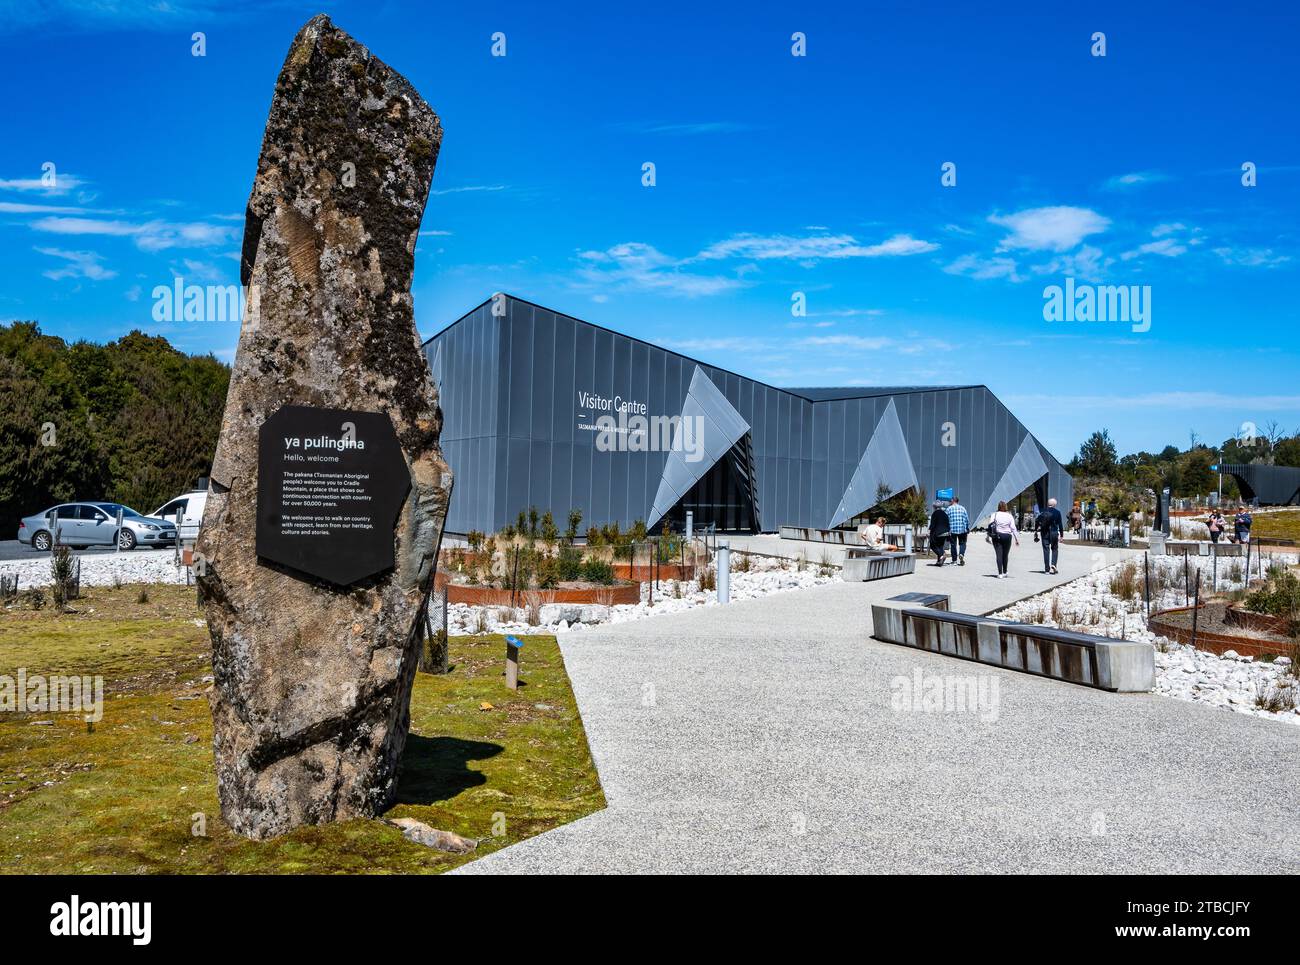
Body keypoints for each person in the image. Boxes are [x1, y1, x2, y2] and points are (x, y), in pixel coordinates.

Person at [1034, 497, 1065, 574]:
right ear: (1054, 505)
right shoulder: (1057, 512)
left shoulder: (1043, 511)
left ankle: (1046, 569)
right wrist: (1061, 535)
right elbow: (1060, 524)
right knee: (1054, 549)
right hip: (1054, 532)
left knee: (1046, 550)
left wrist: (1036, 531)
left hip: (1044, 533)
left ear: (1048, 504)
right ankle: (1053, 564)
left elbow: (1037, 521)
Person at [988, 500, 1019, 578]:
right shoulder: (1009, 515)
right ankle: (1005, 571)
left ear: (998, 507)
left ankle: (1000, 573)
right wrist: (1016, 539)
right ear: (1005, 507)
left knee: (999, 555)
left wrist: (988, 536)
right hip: (1007, 536)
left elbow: (990, 526)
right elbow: (1013, 528)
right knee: (1005, 554)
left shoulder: (994, 514)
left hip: (997, 536)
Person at [945, 496, 970, 565]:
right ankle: (961, 554)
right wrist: (967, 527)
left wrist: (946, 529)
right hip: (962, 530)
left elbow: (946, 520)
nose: (950, 502)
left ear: (953, 500)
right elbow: (967, 519)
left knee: (953, 545)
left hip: (952, 530)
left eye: (950, 501)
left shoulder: (949, 509)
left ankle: (954, 561)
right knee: (962, 543)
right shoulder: (962, 508)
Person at [928, 501, 950, 566]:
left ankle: (942, 555)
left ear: (934, 507)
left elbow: (933, 524)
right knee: (940, 546)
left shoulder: (935, 513)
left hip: (939, 532)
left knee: (932, 545)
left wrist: (929, 531)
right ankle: (939, 561)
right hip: (946, 532)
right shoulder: (945, 513)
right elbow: (947, 523)